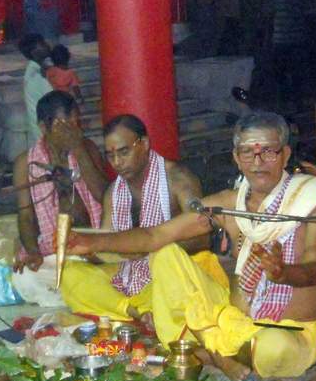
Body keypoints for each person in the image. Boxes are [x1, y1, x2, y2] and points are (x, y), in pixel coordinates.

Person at [66, 111, 316, 380]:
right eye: (248, 152)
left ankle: (207, 351)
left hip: (288, 332)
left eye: (269, 151)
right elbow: (154, 236)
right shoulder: (228, 203)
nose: (258, 161)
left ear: (284, 155)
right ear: (237, 158)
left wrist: (283, 273)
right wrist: (90, 241)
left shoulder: (310, 200)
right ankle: (219, 351)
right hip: (233, 320)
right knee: (165, 256)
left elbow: (315, 269)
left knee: (274, 350)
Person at [59, 114, 221, 332]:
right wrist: (89, 250)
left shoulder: (178, 178)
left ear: (144, 144)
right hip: (131, 274)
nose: (117, 162)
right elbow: (108, 249)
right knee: (70, 274)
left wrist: (149, 251)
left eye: (124, 152)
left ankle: (132, 310)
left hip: (167, 273)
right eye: (111, 155)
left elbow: (203, 237)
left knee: (189, 278)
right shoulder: (113, 192)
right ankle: (135, 311)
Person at [11, 91, 109, 304]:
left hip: (92, 248)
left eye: (76, 124)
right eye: (64, 126)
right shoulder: (25, 164)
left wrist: (78, 149)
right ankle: (80, 294)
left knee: (107, 273)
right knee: (25, 279)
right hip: (52, 252)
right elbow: (25, 216)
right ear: (44, 127)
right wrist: (33, 252)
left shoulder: (87, 148)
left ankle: (81, 293)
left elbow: (104, 196)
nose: (73, 131)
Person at [19, 34, 53, 149]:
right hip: (48, 135)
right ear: (34, 52)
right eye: (42, 44)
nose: (47, 46)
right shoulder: (38, 77)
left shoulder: (32, 72)